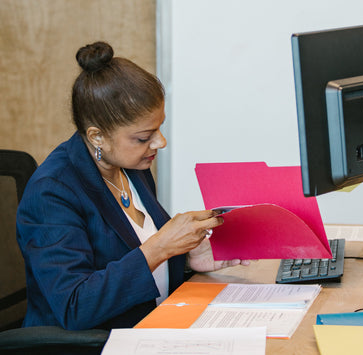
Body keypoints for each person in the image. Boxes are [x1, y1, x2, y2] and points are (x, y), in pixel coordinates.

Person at [16, 41, 250, 331]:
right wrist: (160, 248)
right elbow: (74, 306)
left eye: (160, 128)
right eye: (143, 137)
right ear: (97, 136)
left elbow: (131, 254)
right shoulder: (52, 192)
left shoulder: (130, 167)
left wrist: (187, 259)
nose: (159, 143)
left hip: (156, 323)